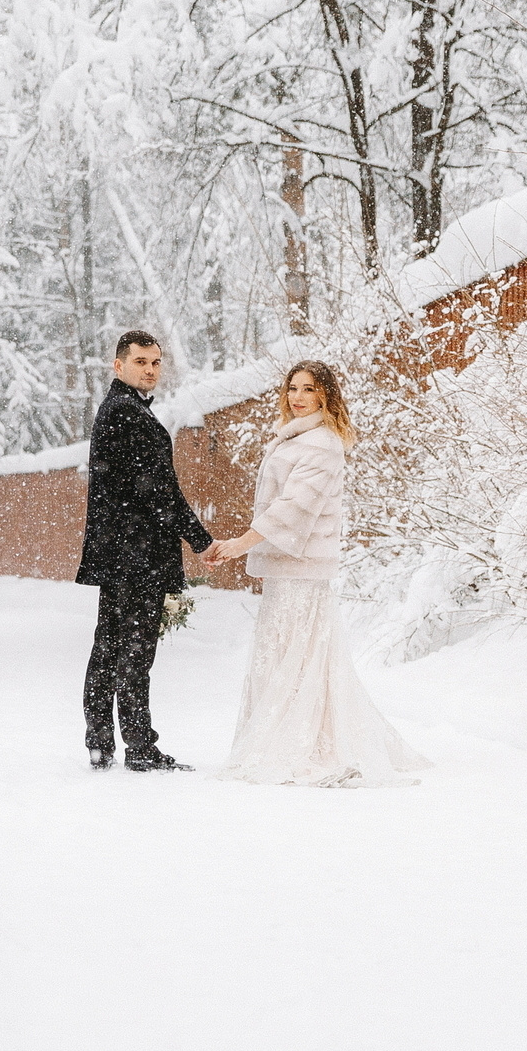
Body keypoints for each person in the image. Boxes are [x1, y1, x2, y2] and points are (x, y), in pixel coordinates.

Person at [200, 361, 430, 787]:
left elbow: (292, 508)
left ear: (326, 395)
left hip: (302, 569)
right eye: (292, 388)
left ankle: (302, 744)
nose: (298, 397)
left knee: (301, 658)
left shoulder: (322, 443)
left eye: (308, 389)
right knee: (284, 654)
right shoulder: (296, 437)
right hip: (285, 569)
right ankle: (281, 738)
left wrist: (238, 544)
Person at [77, 330, 213, 771]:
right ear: (119, 366)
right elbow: (160, 494)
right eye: (140, 362)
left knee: (109, 646)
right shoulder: (129, 414)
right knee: (134, 651)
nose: (150, 370)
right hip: (137, 553)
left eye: (155, 363)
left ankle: (100, 741)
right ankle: (139, 746)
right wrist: (201, 540)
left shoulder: (117, 410)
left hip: (120, 550)